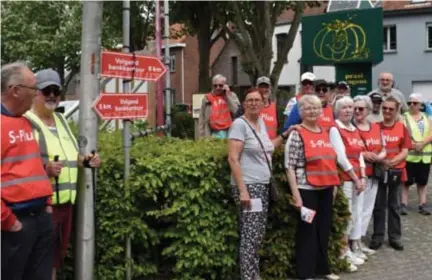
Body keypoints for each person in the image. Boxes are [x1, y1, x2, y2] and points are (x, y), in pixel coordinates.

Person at [24, 69, 102, 279]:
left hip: (65, 205)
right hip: (43, 207)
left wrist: (87, 162)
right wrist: (45, 170)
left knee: (55, 258)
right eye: (46, 90)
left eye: (56, 91)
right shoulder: (26, 122)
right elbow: (21, 165)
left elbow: (73, 156)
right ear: (35, 93)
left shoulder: (62, 121)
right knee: (40, 259)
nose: (51, 96)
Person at [228, 88, 288, 280]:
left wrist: (285, 135)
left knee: (256, 234)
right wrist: (243, 190)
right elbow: (233, 159)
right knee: (251, 235)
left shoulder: (260, 123)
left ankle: (254, 275)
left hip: (262, 185)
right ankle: (249, 277)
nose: (254, 103)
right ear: (244, 104)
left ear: (263, 105)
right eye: (250, 100)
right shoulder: (240, 125)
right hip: (250, 187)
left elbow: (267, 148)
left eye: (257, 100)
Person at [1, 62, 54, 280]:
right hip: (15, 224)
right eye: (33, 89)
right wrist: (9, 222)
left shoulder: (24, 123)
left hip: (40, 219)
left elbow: (33, 168)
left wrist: (48, 205)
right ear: (15, 90)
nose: (37, 95)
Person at [285, 95, 341, 280]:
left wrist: (334, 188)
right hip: (306, 190)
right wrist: (296, 195)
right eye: (307, 108)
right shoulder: (296, 133)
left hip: (325, 190)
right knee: (307, 232)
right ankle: (306, 273)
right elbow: (289, 166)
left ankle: (323, 270)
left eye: (316, 108)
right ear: (300, 112)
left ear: (321, 111)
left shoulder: (325, 132)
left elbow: (331, 162)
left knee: (323, 230)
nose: (312, 111)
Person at [330, 96, 366, 271]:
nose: (348, 110)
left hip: (357, 179)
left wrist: (363, 176)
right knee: (346, 215)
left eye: (350, 107)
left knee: (354, 215)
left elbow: (359, 154)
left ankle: (349, 249)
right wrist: (356, 177)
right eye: (344, 107)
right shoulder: (335, 129)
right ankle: (342, 252)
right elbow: (341, 158)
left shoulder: (354, 128)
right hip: (345, 178)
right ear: (337, 110)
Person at [370, 96, 410, 251]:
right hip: (379, 171)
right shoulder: (375, 127)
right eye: (385, 108)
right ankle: (377, 236)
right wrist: (382, 163)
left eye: (391, 109)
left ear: (397, 110)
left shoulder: (401, 128)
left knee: (394, 206)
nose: (387, 111)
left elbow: (405, 150)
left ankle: (394, 237)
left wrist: (392, 162)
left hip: (396, 171)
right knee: (378, 205)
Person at [352, 95, 386, 256]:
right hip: (358, 175)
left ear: (368, 110)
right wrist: (364, 154)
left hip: (374, 174)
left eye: (361, 108)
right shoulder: (350, 127)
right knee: (356, 210)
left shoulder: (375, 127)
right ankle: (352, 242)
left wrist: (380, 156)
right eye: (355, 108)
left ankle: (360, 240)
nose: (357, 111)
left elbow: (383, 147)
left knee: (367, 209)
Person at [401, 93, 432, 216]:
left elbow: (431, 132)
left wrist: (423, 143)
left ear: (420, 105)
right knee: (406, 182)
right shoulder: (404, 117)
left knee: (423, 182)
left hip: (424, 156)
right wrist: (414, 145)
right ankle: (403, 204)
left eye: (414, 103)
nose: (412, 105)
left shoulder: (426, 117)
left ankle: (422, 204)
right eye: (409, 103)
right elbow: (402, 134)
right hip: (410, 155)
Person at [198, 74, 240, 139]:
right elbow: (201, 118)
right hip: (212, 133)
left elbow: (237, 112)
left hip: (230, 132)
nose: (218, 88)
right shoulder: (207, 98)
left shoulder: (232, 96)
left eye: (220, 85)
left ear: (225, 85)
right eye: (215, 86)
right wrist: (201, 136)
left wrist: (228, 97)